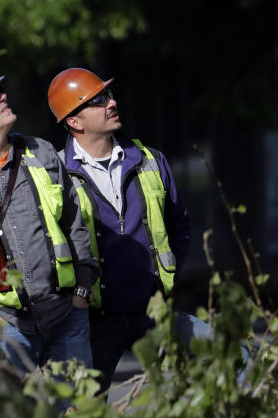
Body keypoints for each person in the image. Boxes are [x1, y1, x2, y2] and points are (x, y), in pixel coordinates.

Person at [47, 67, 205, 392]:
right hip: (94, 323)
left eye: (108, 96)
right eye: (98, 100)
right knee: (83, 407)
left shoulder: (150, 160)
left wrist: (166, 277)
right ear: (74, 122)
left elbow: (179, 225)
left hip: (154, 311)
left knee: (235, 359)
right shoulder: (55, 174)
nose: (112, 103)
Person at [0, 65, 97, 374]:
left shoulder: (42, 152)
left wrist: (82, 294)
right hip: (5, 323)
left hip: (66, 316)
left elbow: (75, 225)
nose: (3, 97)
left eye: (0, 90)